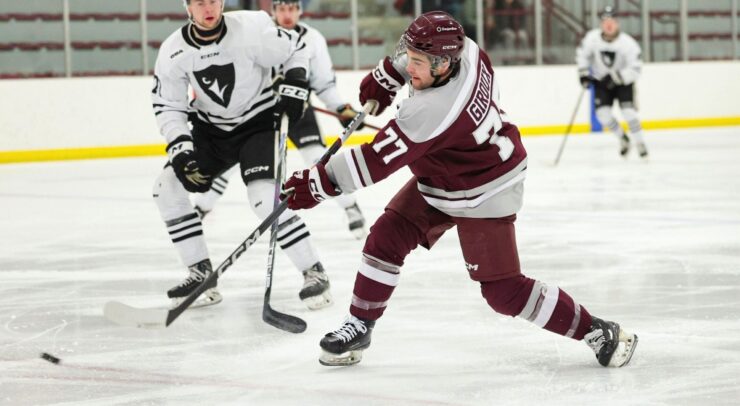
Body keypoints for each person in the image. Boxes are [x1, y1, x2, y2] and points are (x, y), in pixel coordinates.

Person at [282, 11, 638, 367]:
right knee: (385, 239)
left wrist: (316, 184)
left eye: (418, 63)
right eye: (411, 58)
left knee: (503, 292)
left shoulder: (434, 110)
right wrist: (391, 73)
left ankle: (598, 331)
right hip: (447, 170)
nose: (412, 67)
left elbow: (373, 162)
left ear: (442, 65)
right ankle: (360, 324)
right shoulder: (467, 50)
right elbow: (413, 57)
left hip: (486, 188)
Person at [151, 0, 332, 311]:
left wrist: (296, 81)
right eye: (199, 2)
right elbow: (169, 105)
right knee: (166, 188)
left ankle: (314, 272)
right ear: (188, 7)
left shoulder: (251, 27)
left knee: (263, 198)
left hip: (259, 123)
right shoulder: (173, 51)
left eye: (213, 1)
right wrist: (181, 148)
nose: (208, 8)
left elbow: (295, 47)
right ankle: (200, 273)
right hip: (211, 131)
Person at [192, 0, 368, 240]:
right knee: (231, 163)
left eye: (292, 9)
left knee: (320, 161)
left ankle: (350, 207)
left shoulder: (313, 38)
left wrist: (340, 107)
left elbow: (323, 82)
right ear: (273, 11)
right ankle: (200, 209)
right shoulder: (258, 34)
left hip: (299, 110)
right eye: (282, 9)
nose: (287, 14)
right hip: (260, 113)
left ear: (299, 10)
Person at [576, 5, 648, 158]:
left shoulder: (628, 43)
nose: (609, 24)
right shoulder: (592, 38)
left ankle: (640, 142)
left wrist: (617, 77)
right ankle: (623, 138)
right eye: (605, 21)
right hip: (601, 82)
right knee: (603, 115)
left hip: (623, 83)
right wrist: (583, 74)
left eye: (612, 21)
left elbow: (636, 68)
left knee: (629, 113)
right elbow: (582, 55)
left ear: (618, 23)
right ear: (601, 23)